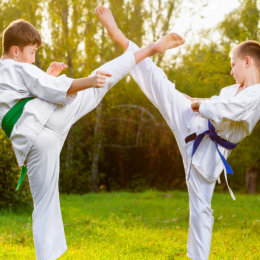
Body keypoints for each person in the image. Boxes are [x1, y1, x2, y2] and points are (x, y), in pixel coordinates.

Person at [0, 18, 185, 260]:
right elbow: (40, 86)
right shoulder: (16, 66)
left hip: (33, 143)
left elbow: (26, 94)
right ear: (15, 50)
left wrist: (49, 77)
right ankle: (149, 49)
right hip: (46, 120)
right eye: (32, 52)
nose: (33, 59)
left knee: (44, 206)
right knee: (99, 82)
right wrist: (86, 82)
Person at [95, 5, 260, 260]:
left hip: (206, 156)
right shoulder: (232, 88)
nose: (231, 70)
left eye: (233, 64)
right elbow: (212, 101)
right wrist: (189, 99)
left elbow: (229, 109)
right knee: (157, 79)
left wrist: (199, 104)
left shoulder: (256, 95)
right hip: (193, 124)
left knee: (201, 211)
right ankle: (117, 34)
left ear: (247, 61)